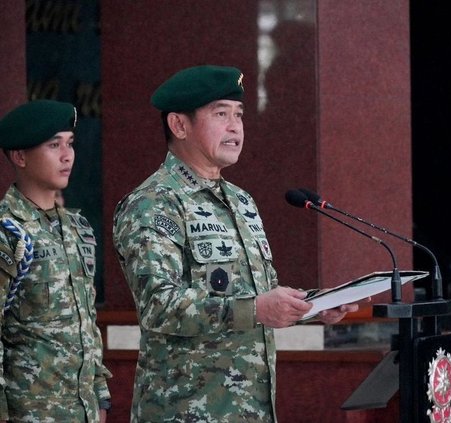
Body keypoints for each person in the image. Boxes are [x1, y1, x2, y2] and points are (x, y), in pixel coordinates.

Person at [112, 65, 359, 423]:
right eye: (220, 114)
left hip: (250, 410)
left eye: (239, 115)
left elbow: (257, 294)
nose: (235, 127)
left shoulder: (241, 201)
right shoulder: (153, 203)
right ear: (179, 125)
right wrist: (257, 309)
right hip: (185, 412)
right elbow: (159, 305)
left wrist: (315, 306)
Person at [0, 100, 112, 422]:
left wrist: (100, 397)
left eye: (70, 143)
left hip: (83, 411)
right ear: (20, 157)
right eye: (53, 145)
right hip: (30, 412)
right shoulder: (8, 232)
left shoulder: (77, 229)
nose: (67, 155)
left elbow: (86, 321)